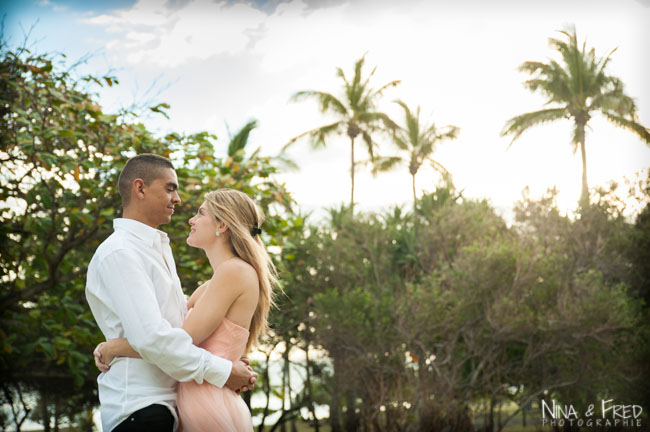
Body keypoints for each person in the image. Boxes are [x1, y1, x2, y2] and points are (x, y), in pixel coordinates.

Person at [86, 154, 258, 432]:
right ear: (140, 189)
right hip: (141, 408)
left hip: (171, 407)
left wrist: (225, 360)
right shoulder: (121, 252)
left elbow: (177, 333)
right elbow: (153, 339)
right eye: (170, 188)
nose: (178, 199)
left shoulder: (157, 250)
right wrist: (224, 369)